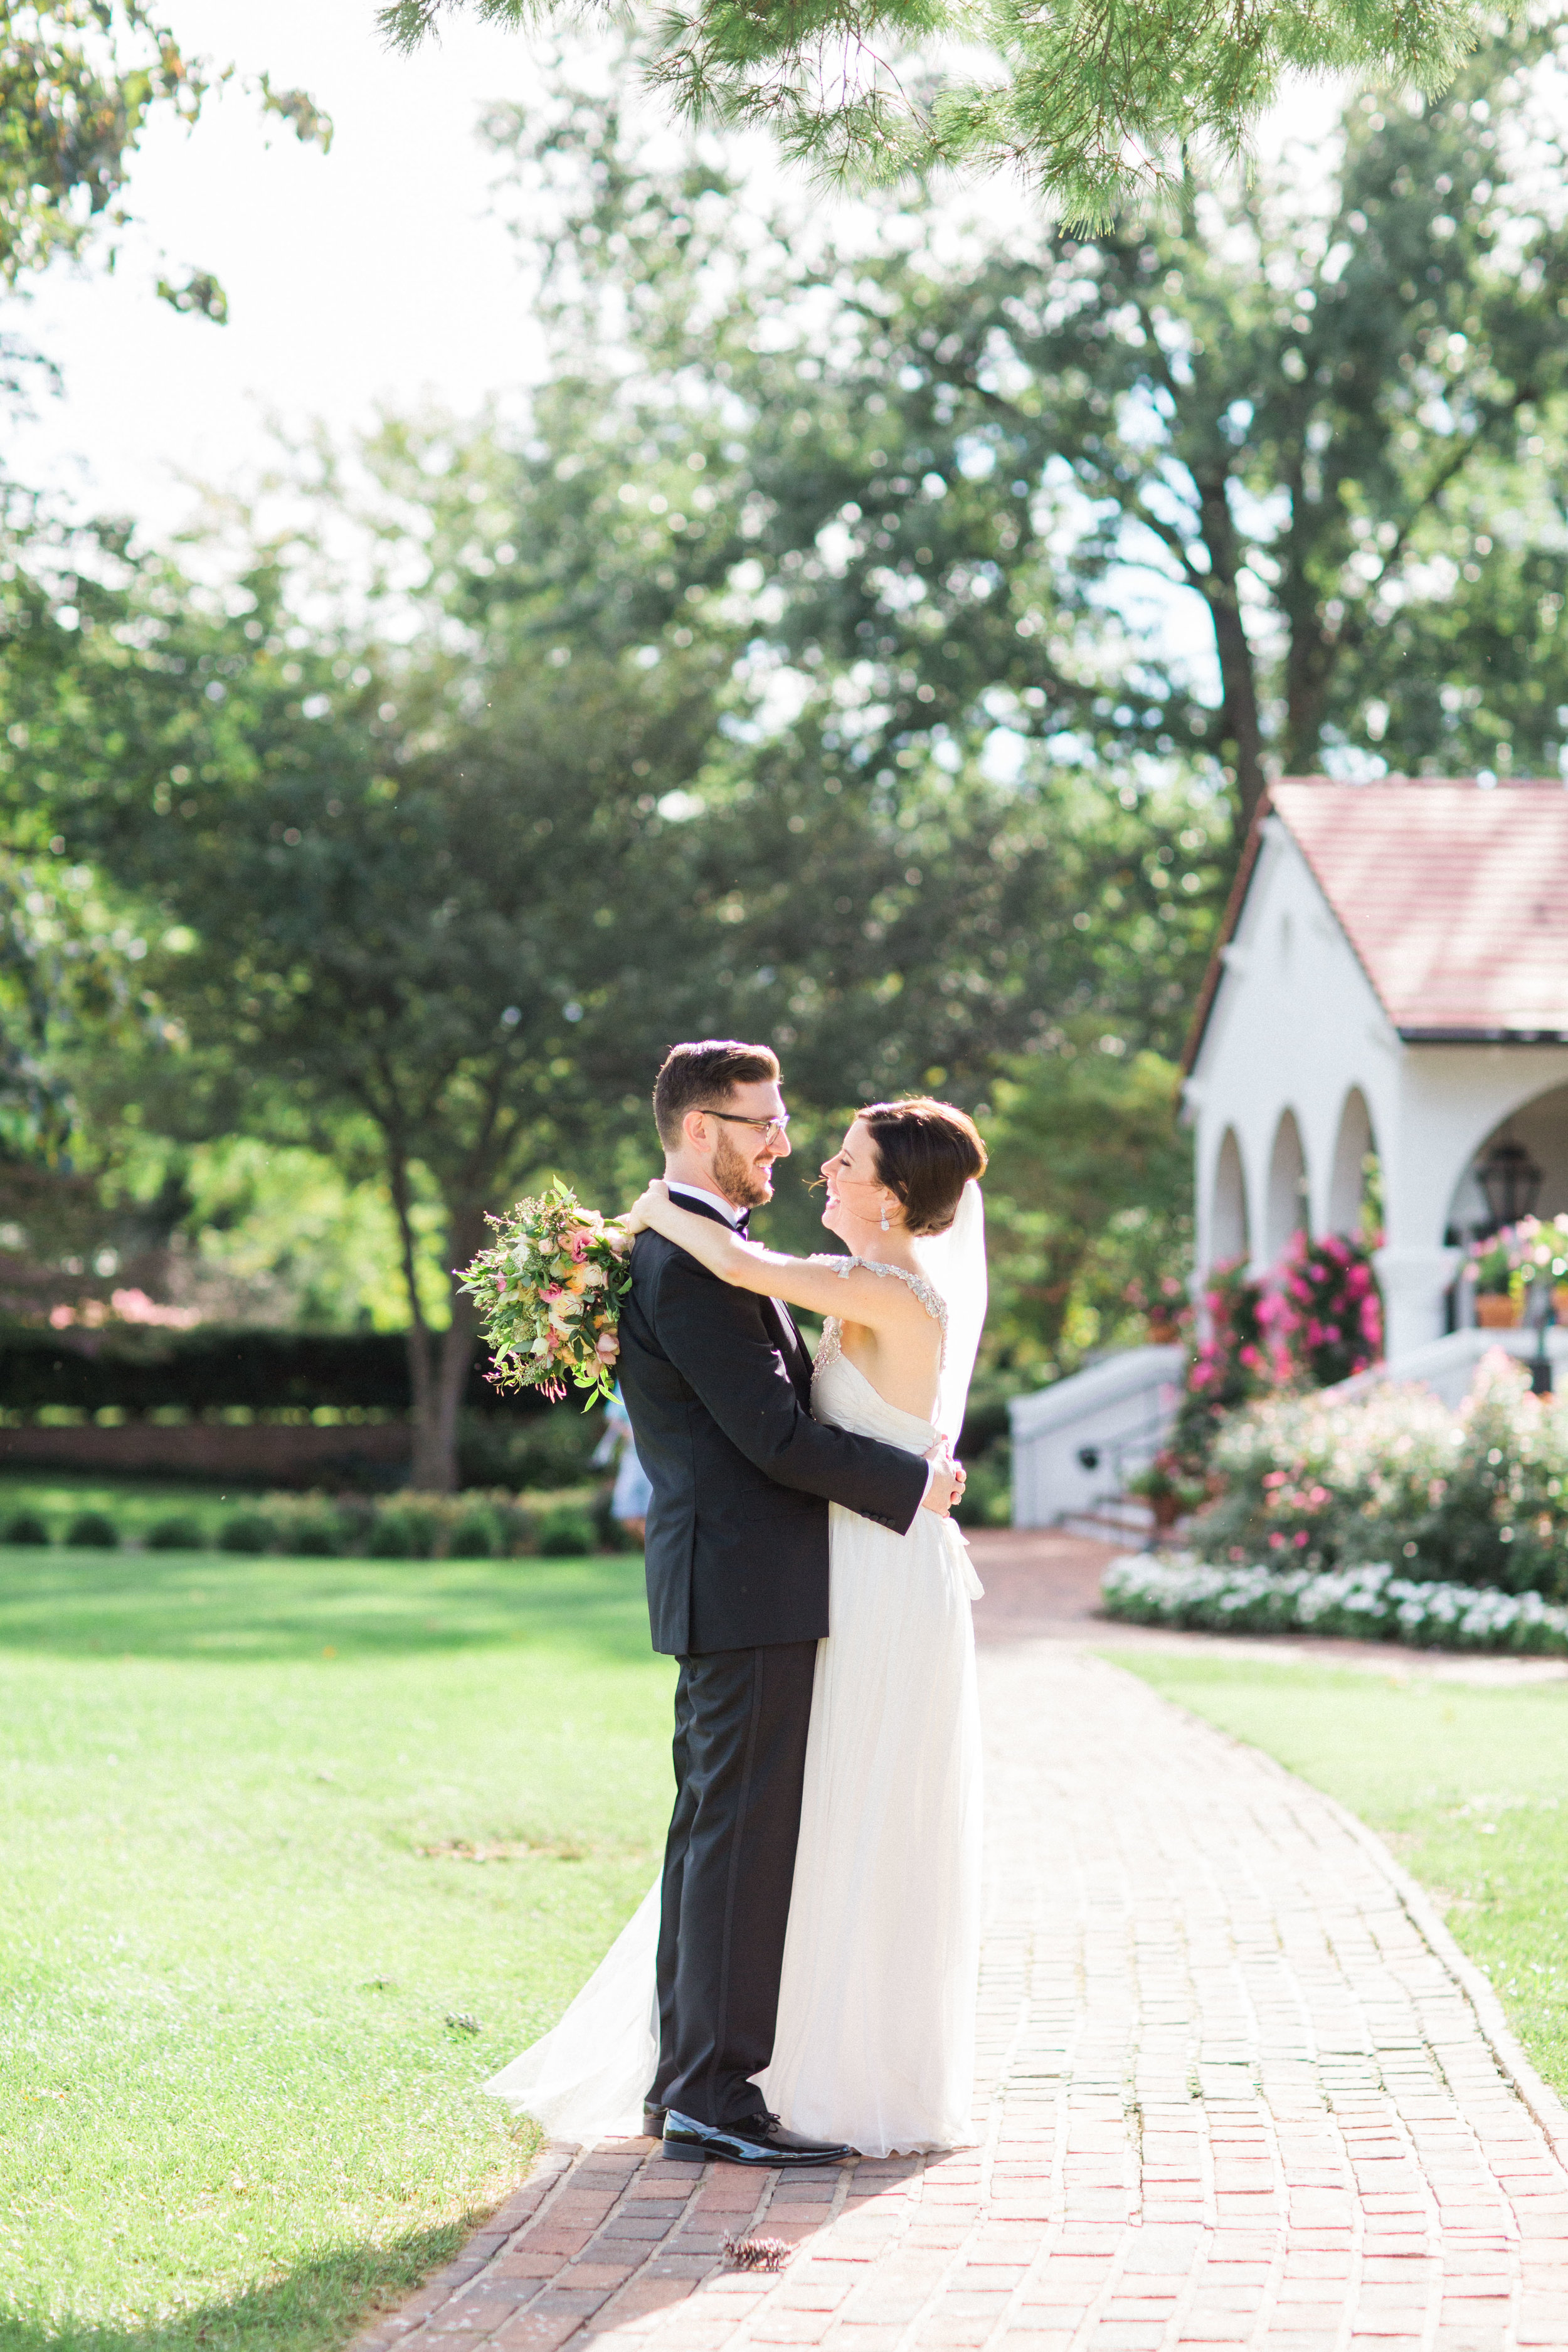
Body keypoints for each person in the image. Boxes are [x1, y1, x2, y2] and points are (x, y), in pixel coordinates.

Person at [484, 1043, 985, 2163]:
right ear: (704, 1127)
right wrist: (915, 1483)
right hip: (751, 1579)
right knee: (736, 1839)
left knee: (724, 1834)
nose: (786, 1141)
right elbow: (773, 1437)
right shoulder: (689, 1262)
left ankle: (691, 2083)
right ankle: (711, 2091)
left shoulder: (707, 1249)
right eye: (765, 1120)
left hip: (765, 1579)